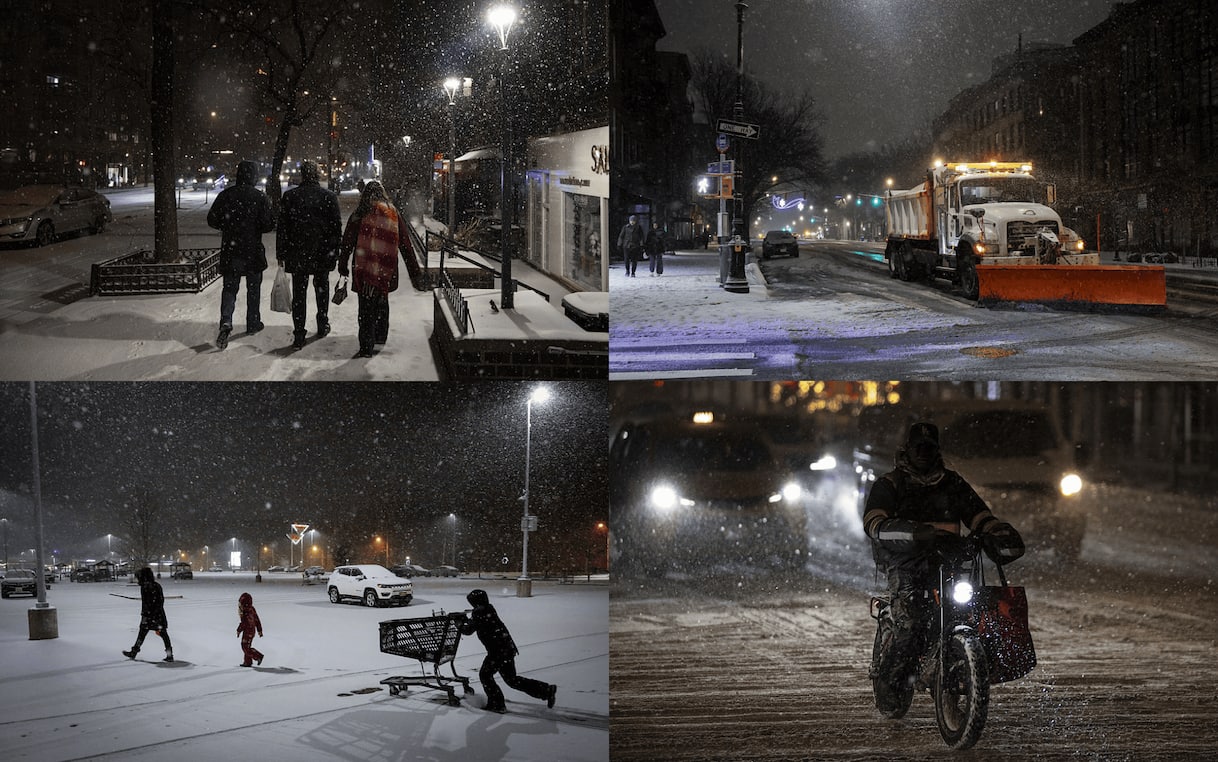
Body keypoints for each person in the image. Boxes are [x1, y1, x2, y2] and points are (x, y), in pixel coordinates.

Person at [862, 421, 1024, 702]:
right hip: (905, 564)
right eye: (918, 447)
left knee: (969, 611)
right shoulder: (890, 484)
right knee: (910, 622)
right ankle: (891, 681)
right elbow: (874, 523)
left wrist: (993, 531)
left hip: (949, 562)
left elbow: (977, 514)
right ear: (907, 450)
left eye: (929, 447)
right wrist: (914, 534)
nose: (923, 453)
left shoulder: (953, 483)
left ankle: (958, 661)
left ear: (937, 450)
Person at [337, 180, 422, 358]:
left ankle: (366, 345)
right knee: (382, 300)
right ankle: (381, 336)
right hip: (385, 268)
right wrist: (415, 271)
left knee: (365, 306)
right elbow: (405, 244)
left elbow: (347, 242)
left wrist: (343, 265)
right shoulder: (392, 213)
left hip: (364, 268)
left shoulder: (359, 213)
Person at [206, 159, 276, 350]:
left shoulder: (226, 195)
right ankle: (253, 322)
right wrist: (256, 226)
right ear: (253, 176)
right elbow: (269, 224)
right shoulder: (259, 197)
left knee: (230, 288)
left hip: (232, 249)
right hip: (252, 250)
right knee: (254, 289)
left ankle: (226, 321)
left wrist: (227, 225)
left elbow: (212, 219)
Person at [452, 589, 557, 713]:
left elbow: (468, 630)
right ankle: (545, 690)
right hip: (506, 648)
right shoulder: (488, 609)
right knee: (512, 680)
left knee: (485, 676)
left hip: (497, 651)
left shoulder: (479, 613)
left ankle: (497, 704)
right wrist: (467, 620)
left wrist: (458, 624)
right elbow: (478, 623)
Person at [276, 160, 342, 349]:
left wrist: (281, 251)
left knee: (299, 293)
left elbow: (283, 227)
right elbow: (336, 227)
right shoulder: (328, 196)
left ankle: (299, 333)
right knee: (321, 289)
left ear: (302, 174)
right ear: (317, 174)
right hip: (322, 252)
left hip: (298, 253)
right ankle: (322, 323)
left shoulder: (290, 196)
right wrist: (334, 250)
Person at [122, 567, 173, 662]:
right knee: (163, 634)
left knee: (142, 634)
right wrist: (155, 612)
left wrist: (146, 615)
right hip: (158, 615)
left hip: (149, 616)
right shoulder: (156, 585)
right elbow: (160, 601)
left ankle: (134, 652)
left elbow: (147, 603)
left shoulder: (145, 587)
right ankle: (169, 655)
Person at [236, 592, 264, 667]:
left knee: (245, 647)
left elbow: (244, 623)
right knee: (247, 646)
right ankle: (247, 662)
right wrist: (259, 630)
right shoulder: (252, 609)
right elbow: (257, 619)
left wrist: (238, 630)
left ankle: (258, 656)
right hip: (252, 631)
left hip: (248, 631)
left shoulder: (245, 612)